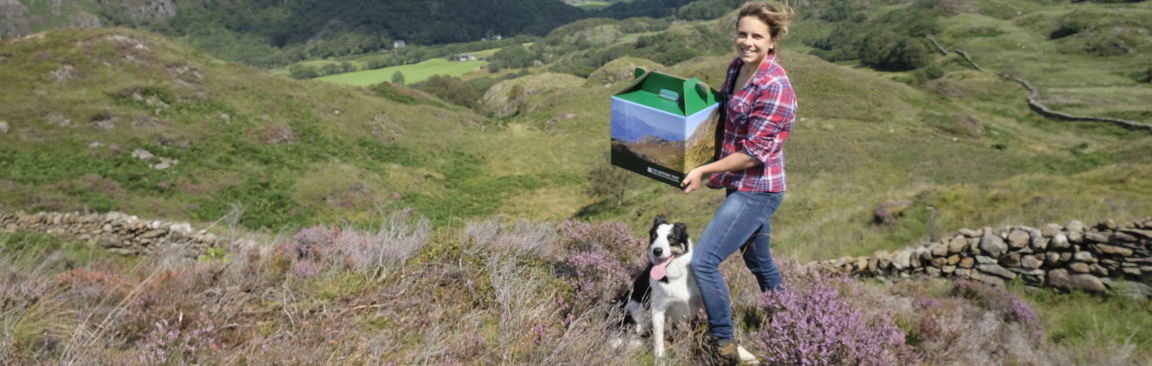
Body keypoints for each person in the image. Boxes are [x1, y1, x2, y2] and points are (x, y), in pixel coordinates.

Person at [678, 1, 796, 363]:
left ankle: (723, 345)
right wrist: (707, 95)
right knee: (760, 263)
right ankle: (793, 324)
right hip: (739, 183)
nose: (747, 42)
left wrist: (702, 170)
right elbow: (728, 109)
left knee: (704, 262)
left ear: (773, 41)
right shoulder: (737, 68)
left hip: (758, 189)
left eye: (757, 36)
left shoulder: (775, 87)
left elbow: (752, 154)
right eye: (742, 34)